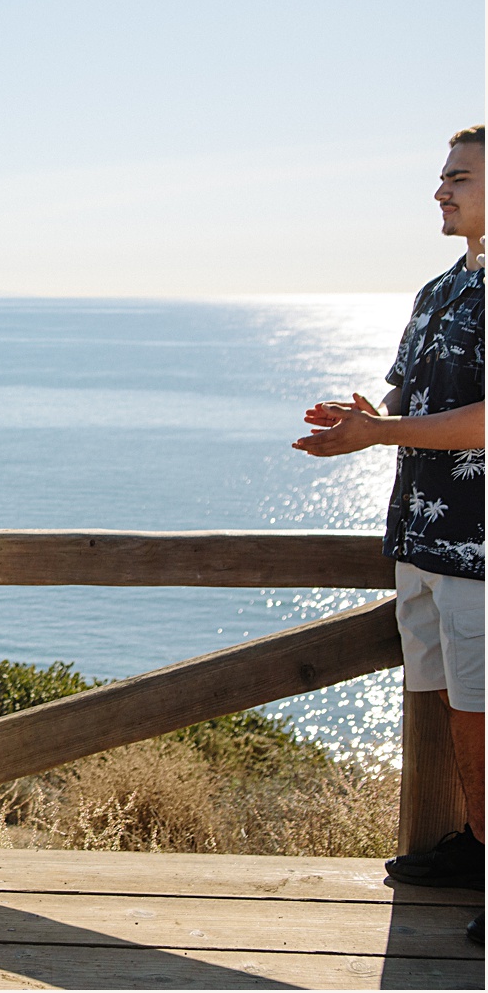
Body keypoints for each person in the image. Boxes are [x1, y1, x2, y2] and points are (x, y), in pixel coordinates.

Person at [295, 125, 485, 940]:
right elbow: (411, 411)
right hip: (422, 540)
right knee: (452, 704)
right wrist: (363, 423)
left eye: (460, 177)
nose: (440, 190)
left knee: (483, 713)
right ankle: (479, 845)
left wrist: (382, 435)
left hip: (482, 548)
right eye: (443, 177)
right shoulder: (437, 291)